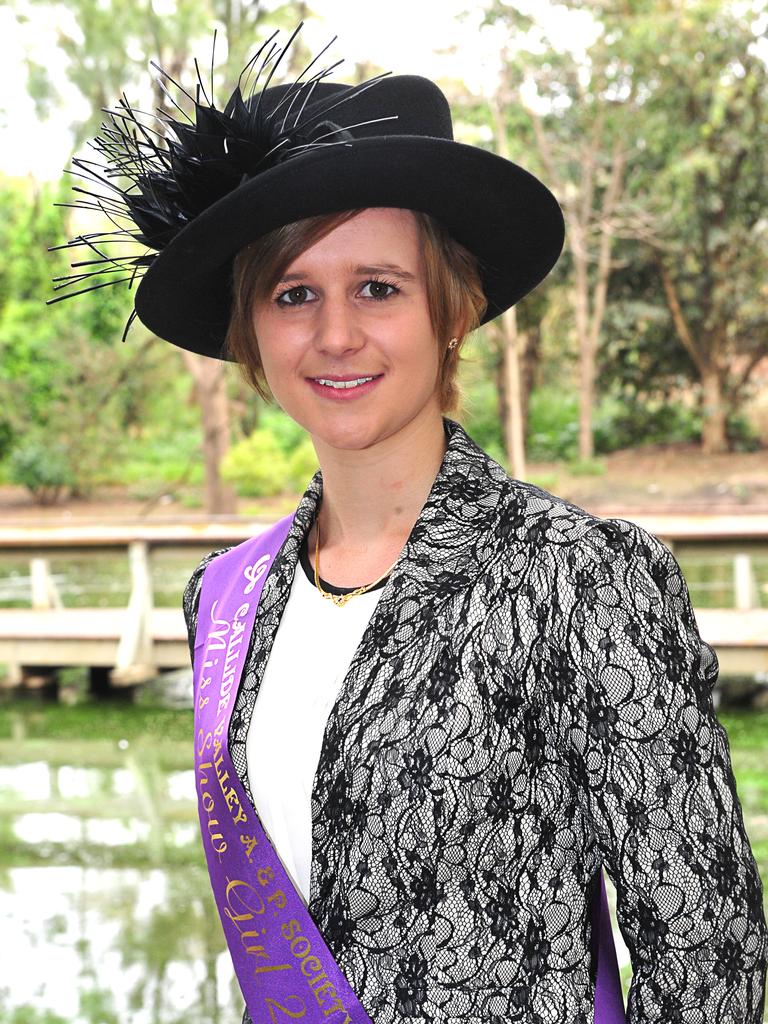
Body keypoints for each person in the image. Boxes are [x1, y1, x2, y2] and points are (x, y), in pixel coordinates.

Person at [52, 24, 767, 1024]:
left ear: (451, 310)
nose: (335, 333)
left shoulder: (577, 577)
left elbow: (708, 963)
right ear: (251, 332)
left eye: (378, 288)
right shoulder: (226, 595)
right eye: (293, 293)